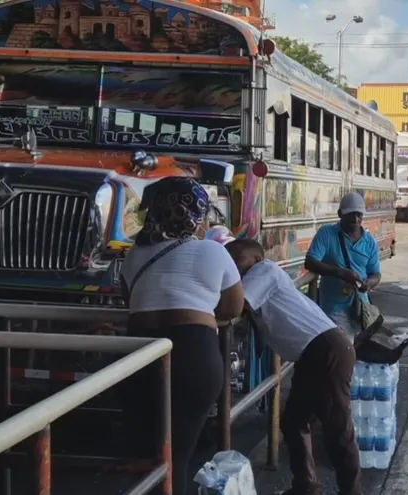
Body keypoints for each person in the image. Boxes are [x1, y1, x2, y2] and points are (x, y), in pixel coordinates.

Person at [118, 176, 245, 495]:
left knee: (149, 454)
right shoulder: (213, 252)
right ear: (196, 216)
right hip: (193, 355)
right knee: (179, 455)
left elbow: (130, 302)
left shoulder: (134, 255)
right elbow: (232, 308)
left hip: (138, 354)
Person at [225, 239, 362, 495]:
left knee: (337, 430)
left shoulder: (264, 270)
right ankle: (306, 486)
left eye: (236, 257)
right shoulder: (254, 275)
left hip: (325, 350)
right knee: (293, 421)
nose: (231, 264)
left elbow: (237, 303)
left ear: (255, 258)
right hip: (312, 354)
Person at [304, 192, 381, 338]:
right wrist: (340, 273)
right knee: (345, 349)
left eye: (359, 215)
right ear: (340, 214)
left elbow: (376, 273)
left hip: (362, 308)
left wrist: (369, 283)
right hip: (335, 308)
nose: (355, 219)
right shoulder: (326, 233)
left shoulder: (369, 241)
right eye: (350, 215)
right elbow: (310, 262)